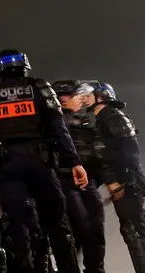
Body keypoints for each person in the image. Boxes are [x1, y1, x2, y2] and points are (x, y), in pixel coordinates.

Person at [0, 49, 86, 273]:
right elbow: (59, 127)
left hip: (8, 165)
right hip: (41, 163)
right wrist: (74, 160)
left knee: (17, 225)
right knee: (58, 224)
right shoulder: (39, 87)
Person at [87, 81, 145, 273]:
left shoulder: (113, 116)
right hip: (123, 182)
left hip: (128, 183)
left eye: (89, 94)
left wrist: (123, 182)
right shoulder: (102, 120)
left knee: (136, 231)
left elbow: (130, 152)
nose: (84, 97)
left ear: (101, 96)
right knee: (131, 231)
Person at [52, 79, 105, 273]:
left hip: (86, 183)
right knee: (80, 227)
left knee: (93, 227)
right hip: (64, 181)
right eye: (63, 95)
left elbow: (96, 154)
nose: (79, 99)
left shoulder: (83, 123)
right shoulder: (55, 124)